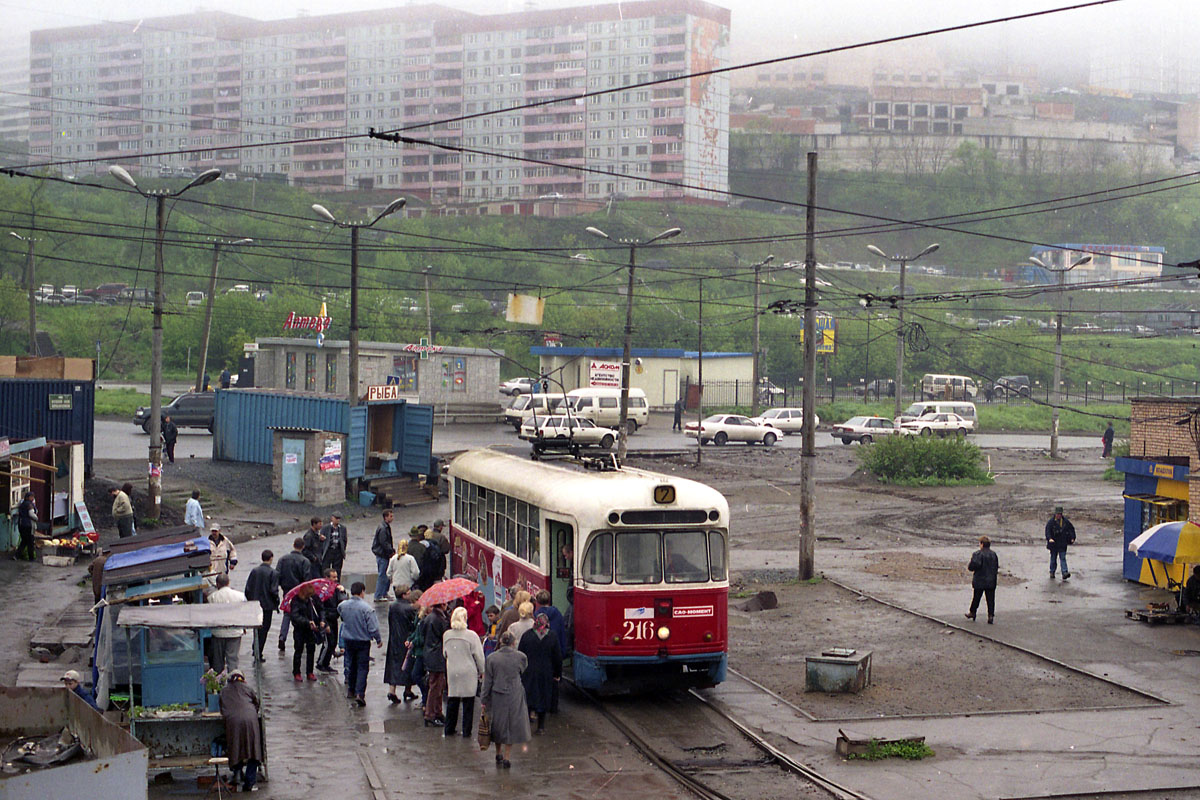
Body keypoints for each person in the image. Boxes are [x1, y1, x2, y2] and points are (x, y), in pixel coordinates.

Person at [481, 631, 531, 769]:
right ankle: (507, 757)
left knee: (498, 724)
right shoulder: (521, 657)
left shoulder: (491, 658)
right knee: (511, 725)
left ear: (500, 642)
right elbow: (523, 670)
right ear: (513, 643)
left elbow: (487, 682)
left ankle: (498, 753)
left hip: (498, 693)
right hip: (515, 693)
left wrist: (484, 700)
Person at [442, 606, 485, 738]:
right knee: (468, 702)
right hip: (468, 671)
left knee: (452, 700)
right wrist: (482, 670)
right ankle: (466, 731)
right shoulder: (472, 636)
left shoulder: (447, 635)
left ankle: (449, 728)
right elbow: (479, 656)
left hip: (453, 671)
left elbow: (445, 653)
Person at [338, 581, 382, 706]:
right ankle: (360, 693)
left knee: (351, 664)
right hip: (362, 641)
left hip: (348, 639)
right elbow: (373, 627)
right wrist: (378, 639)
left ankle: (351, 690)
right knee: (362, 667)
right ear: (362, 592)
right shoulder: (367, 609)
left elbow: (340, 612)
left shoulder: (343, 605)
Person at [518, 612, 562, 735]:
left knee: (529, 697)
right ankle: (541, 727)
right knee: (543, 697)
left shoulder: (527, 636)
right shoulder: (552, 636)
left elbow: (520, 654)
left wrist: (520, 671)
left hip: (529, 671)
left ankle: (525, 727)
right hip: (546, 672)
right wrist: (557, 673)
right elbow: (557, 657)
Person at [219, 670, 262, 793]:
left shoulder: (224, 691)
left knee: (235, 748)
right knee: (253, 751)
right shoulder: (248, 688)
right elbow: (256, 703)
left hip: (233, 723)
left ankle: (237, 775)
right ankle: (250, 783)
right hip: (250, 721)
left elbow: (222, 709)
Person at [276, 537, 312, 652]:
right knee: (302, 615)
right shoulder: (305, 561)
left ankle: (282, 637)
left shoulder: (283, 559)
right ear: (303, 547)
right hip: (300, 592)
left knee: (287, 614)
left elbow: (277, 574)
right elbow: (307, 579)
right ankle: (304, 639)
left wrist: (281, 586)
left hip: (287, 591)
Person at [243, 550, 279, 662]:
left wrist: (250, 600)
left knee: (257, 629)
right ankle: (259, 651)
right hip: (267, 606)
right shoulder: (273, 573)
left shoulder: (254, 571)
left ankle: (256, 648)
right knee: (264, 629)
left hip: (255, 605)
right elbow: (274, 591)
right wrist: (276, 602)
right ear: (271, 558)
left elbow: (248, 588)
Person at [384, 586, 419, 704]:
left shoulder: (393, 606)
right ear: (404, 595)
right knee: (408, 664)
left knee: (393, 664)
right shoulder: (410, 608)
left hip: (394, 639)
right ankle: (408, 690)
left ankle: (392, 690)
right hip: (406, 639)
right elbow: (414, 624)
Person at [206, 573, 247, 672]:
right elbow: (244, 613)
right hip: (235, 632)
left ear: (217, 584)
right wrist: (243, 627)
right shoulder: (240, 596)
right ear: (228, 582)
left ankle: (218, 683)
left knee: (218, 661)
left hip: (218, 633)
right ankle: (233, 681)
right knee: (232, 659)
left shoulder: (212, 597)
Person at [289, 583, 326, 682]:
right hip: (300, 629)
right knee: (298, 651)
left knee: (311, 650)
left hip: (311, 630)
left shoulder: (313, 599)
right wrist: (307, 622)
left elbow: (321, 609)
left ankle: (309, 672)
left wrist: (322, 620)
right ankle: (296, 672)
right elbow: (295, 616)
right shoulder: (296, 600)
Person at [420, 603, 449, 726]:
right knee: (436, 686)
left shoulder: (429, 618)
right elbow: (444, 634)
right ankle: (431, 714)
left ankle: (436, 712)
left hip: (430, 654)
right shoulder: (439, 619)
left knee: (438, 685)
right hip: (437, 655)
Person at [317, 568, 347, 673]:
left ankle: (326, 663)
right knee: (328, 643)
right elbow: (321, 608)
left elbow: (343, 601)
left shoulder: (336, 588)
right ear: (327, 578)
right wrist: (324, 622)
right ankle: (321, 663)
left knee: (333, 642)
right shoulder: (323, 591)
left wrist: (342, 591)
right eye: (333, 577)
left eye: (336, 577)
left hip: (334, 617)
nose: (336, 579)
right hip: (327, 618)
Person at [965, 535, 999, 624]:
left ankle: (972, 612)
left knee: (976, 597)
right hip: (991, 580)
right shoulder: (994, 554)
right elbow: (995, 567)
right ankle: (990, 615)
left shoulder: (977, 554)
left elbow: (972, 566)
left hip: (980, 579)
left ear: (982, 544)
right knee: (990, 599)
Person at [1045, 505, 1076, 580]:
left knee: (1063, 558)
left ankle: (1064, 572)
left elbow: (1071, 529)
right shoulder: (1051, 522)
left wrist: (1072, 537)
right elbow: (1047, 531)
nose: (1059, 515)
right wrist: (1049, 539)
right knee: (1053, 559)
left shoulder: (1065, 521)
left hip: (1062, 543)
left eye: (1060, 514)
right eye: (1057, 514)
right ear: (1055, 514)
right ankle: (1052, 572)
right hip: (1054, 544)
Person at [371, 509, 396, 602]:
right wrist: (391, 551)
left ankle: (384, 592)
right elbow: (384, 543)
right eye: (391, 516)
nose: (392, 518)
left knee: (387, 574)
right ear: (386, 517)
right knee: (382, 575)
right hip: (382, 555)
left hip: (385, 554)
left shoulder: (385, 527)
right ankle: (378, 595)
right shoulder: (383, 528)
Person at [533, 590, 566, 654]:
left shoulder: (536, 616)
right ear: (549, 600)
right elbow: (562, 632)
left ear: (538, 601)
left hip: (542, 653)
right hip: (556, 650)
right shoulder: (557, 613)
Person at [15, 490, 37, 563]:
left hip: (21, 524)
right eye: (32, 497)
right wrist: (36, 518)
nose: (33, 498)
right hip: (28, 525)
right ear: (29, 497)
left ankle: (16, 556)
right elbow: (31, 514)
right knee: (30, 541)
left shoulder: (22, 504)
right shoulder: (29, 505)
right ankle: (31, 558)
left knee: (24, 541)